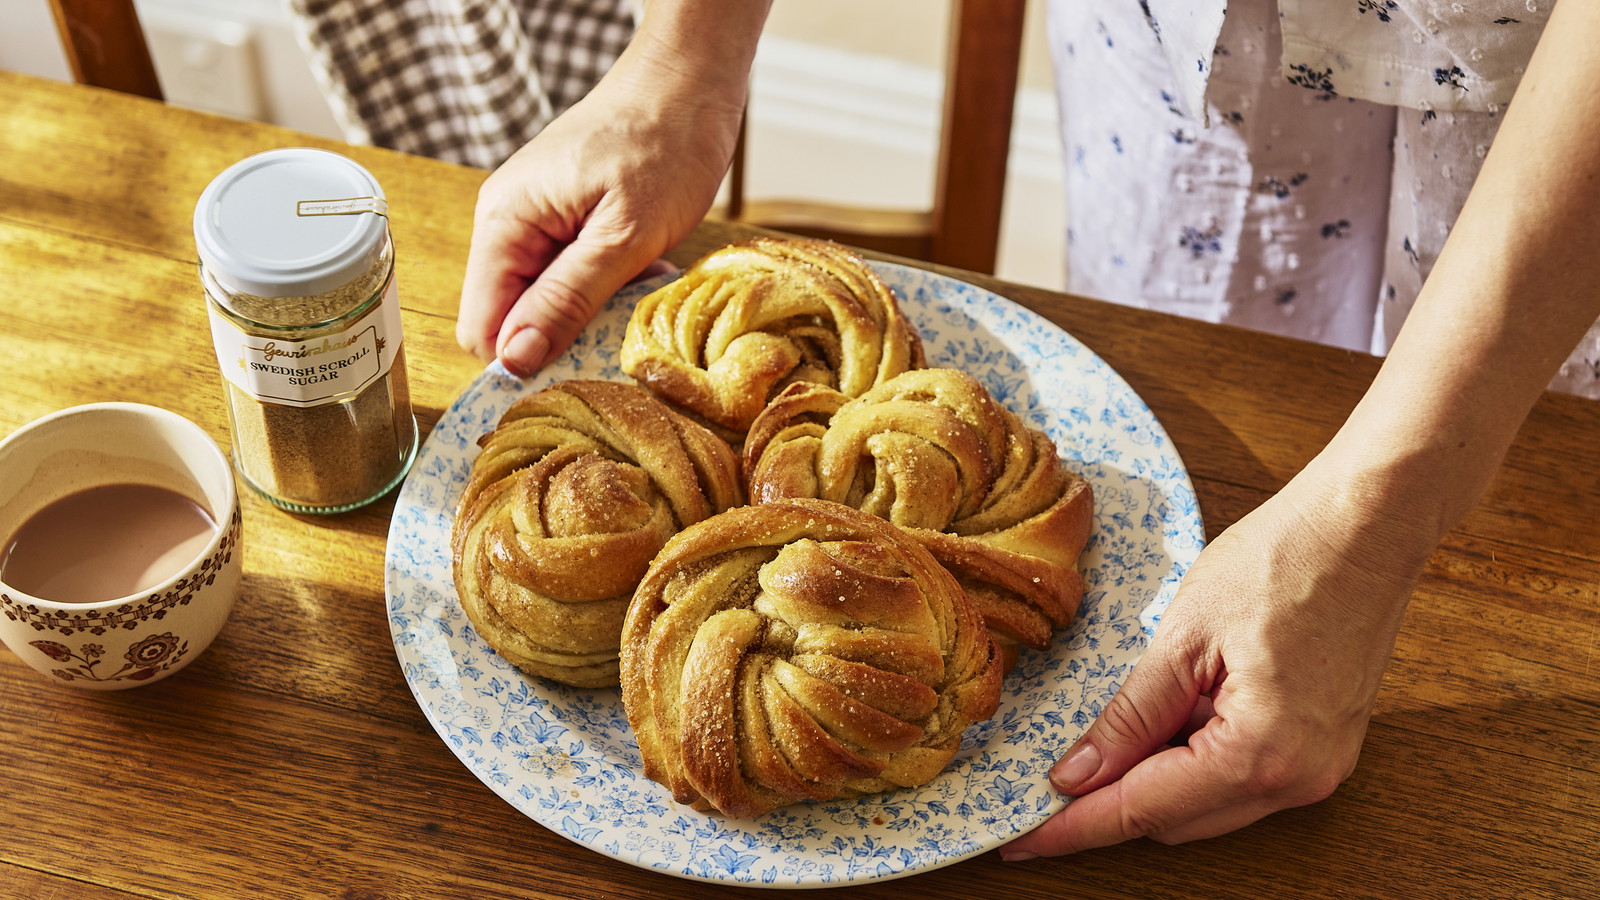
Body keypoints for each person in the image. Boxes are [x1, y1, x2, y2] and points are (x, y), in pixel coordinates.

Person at [453, 0, 1600, 857]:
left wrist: (1371, 527)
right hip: (1175, 49)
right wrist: (681, 62)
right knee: (1202, 340)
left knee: (1538, 524)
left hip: (1559, 148)